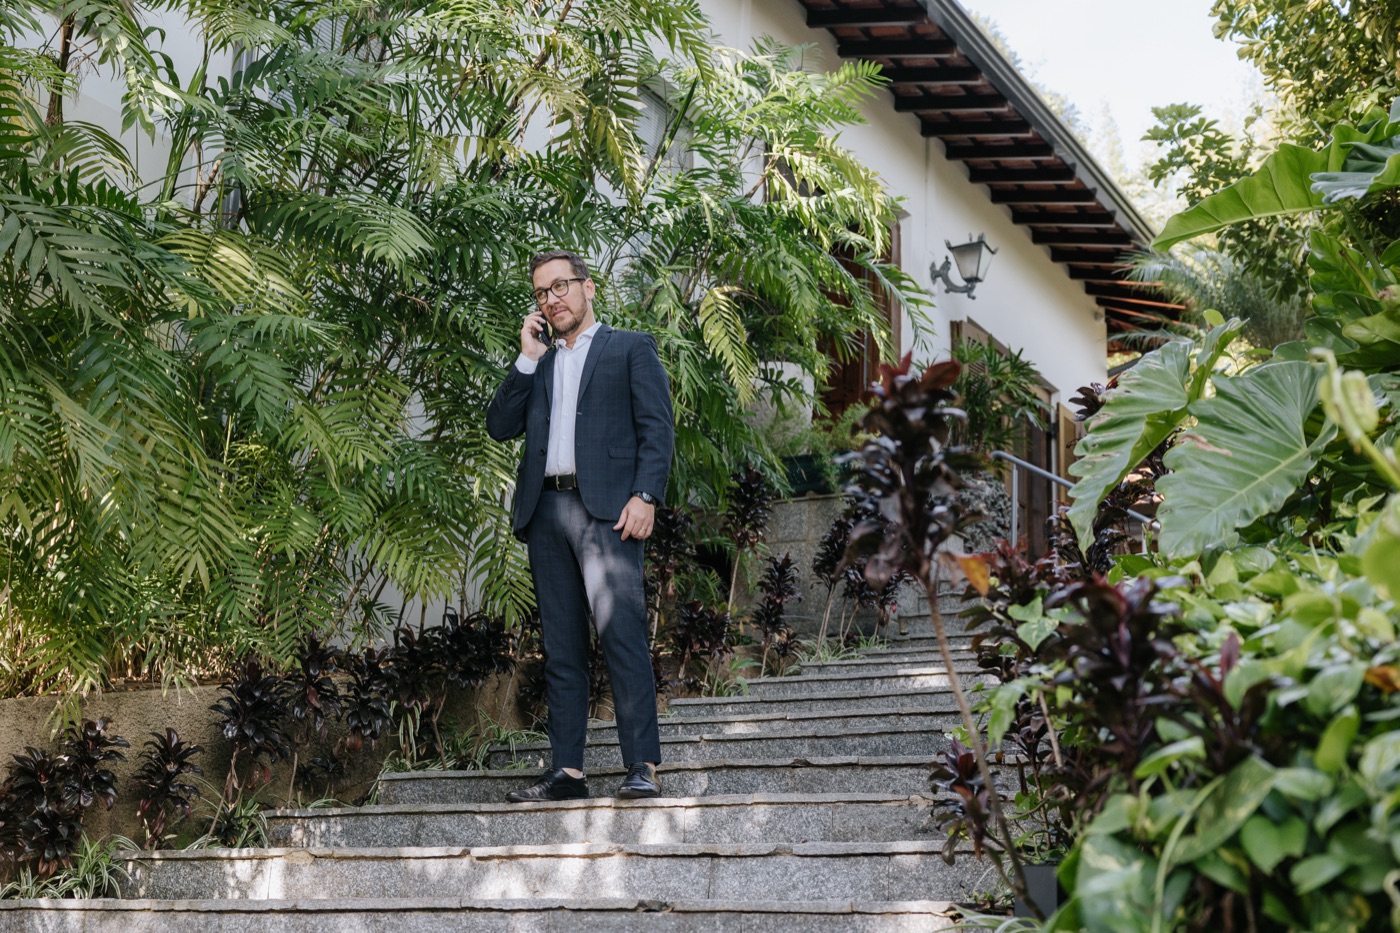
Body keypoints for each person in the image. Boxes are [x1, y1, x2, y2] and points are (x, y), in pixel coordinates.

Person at [486, 249, 674, 802]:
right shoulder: (538, 361)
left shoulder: (630, 348)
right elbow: (499, 426)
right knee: (562, 646)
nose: (553, 298)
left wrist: (646, 496)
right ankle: (567, 771)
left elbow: (657, 430)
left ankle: (641, 763)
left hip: (608, 513)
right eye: (543, 292)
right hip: (545, 511)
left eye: (562, 286)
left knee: (621, 636)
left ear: (588, 288)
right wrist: (524, 358)